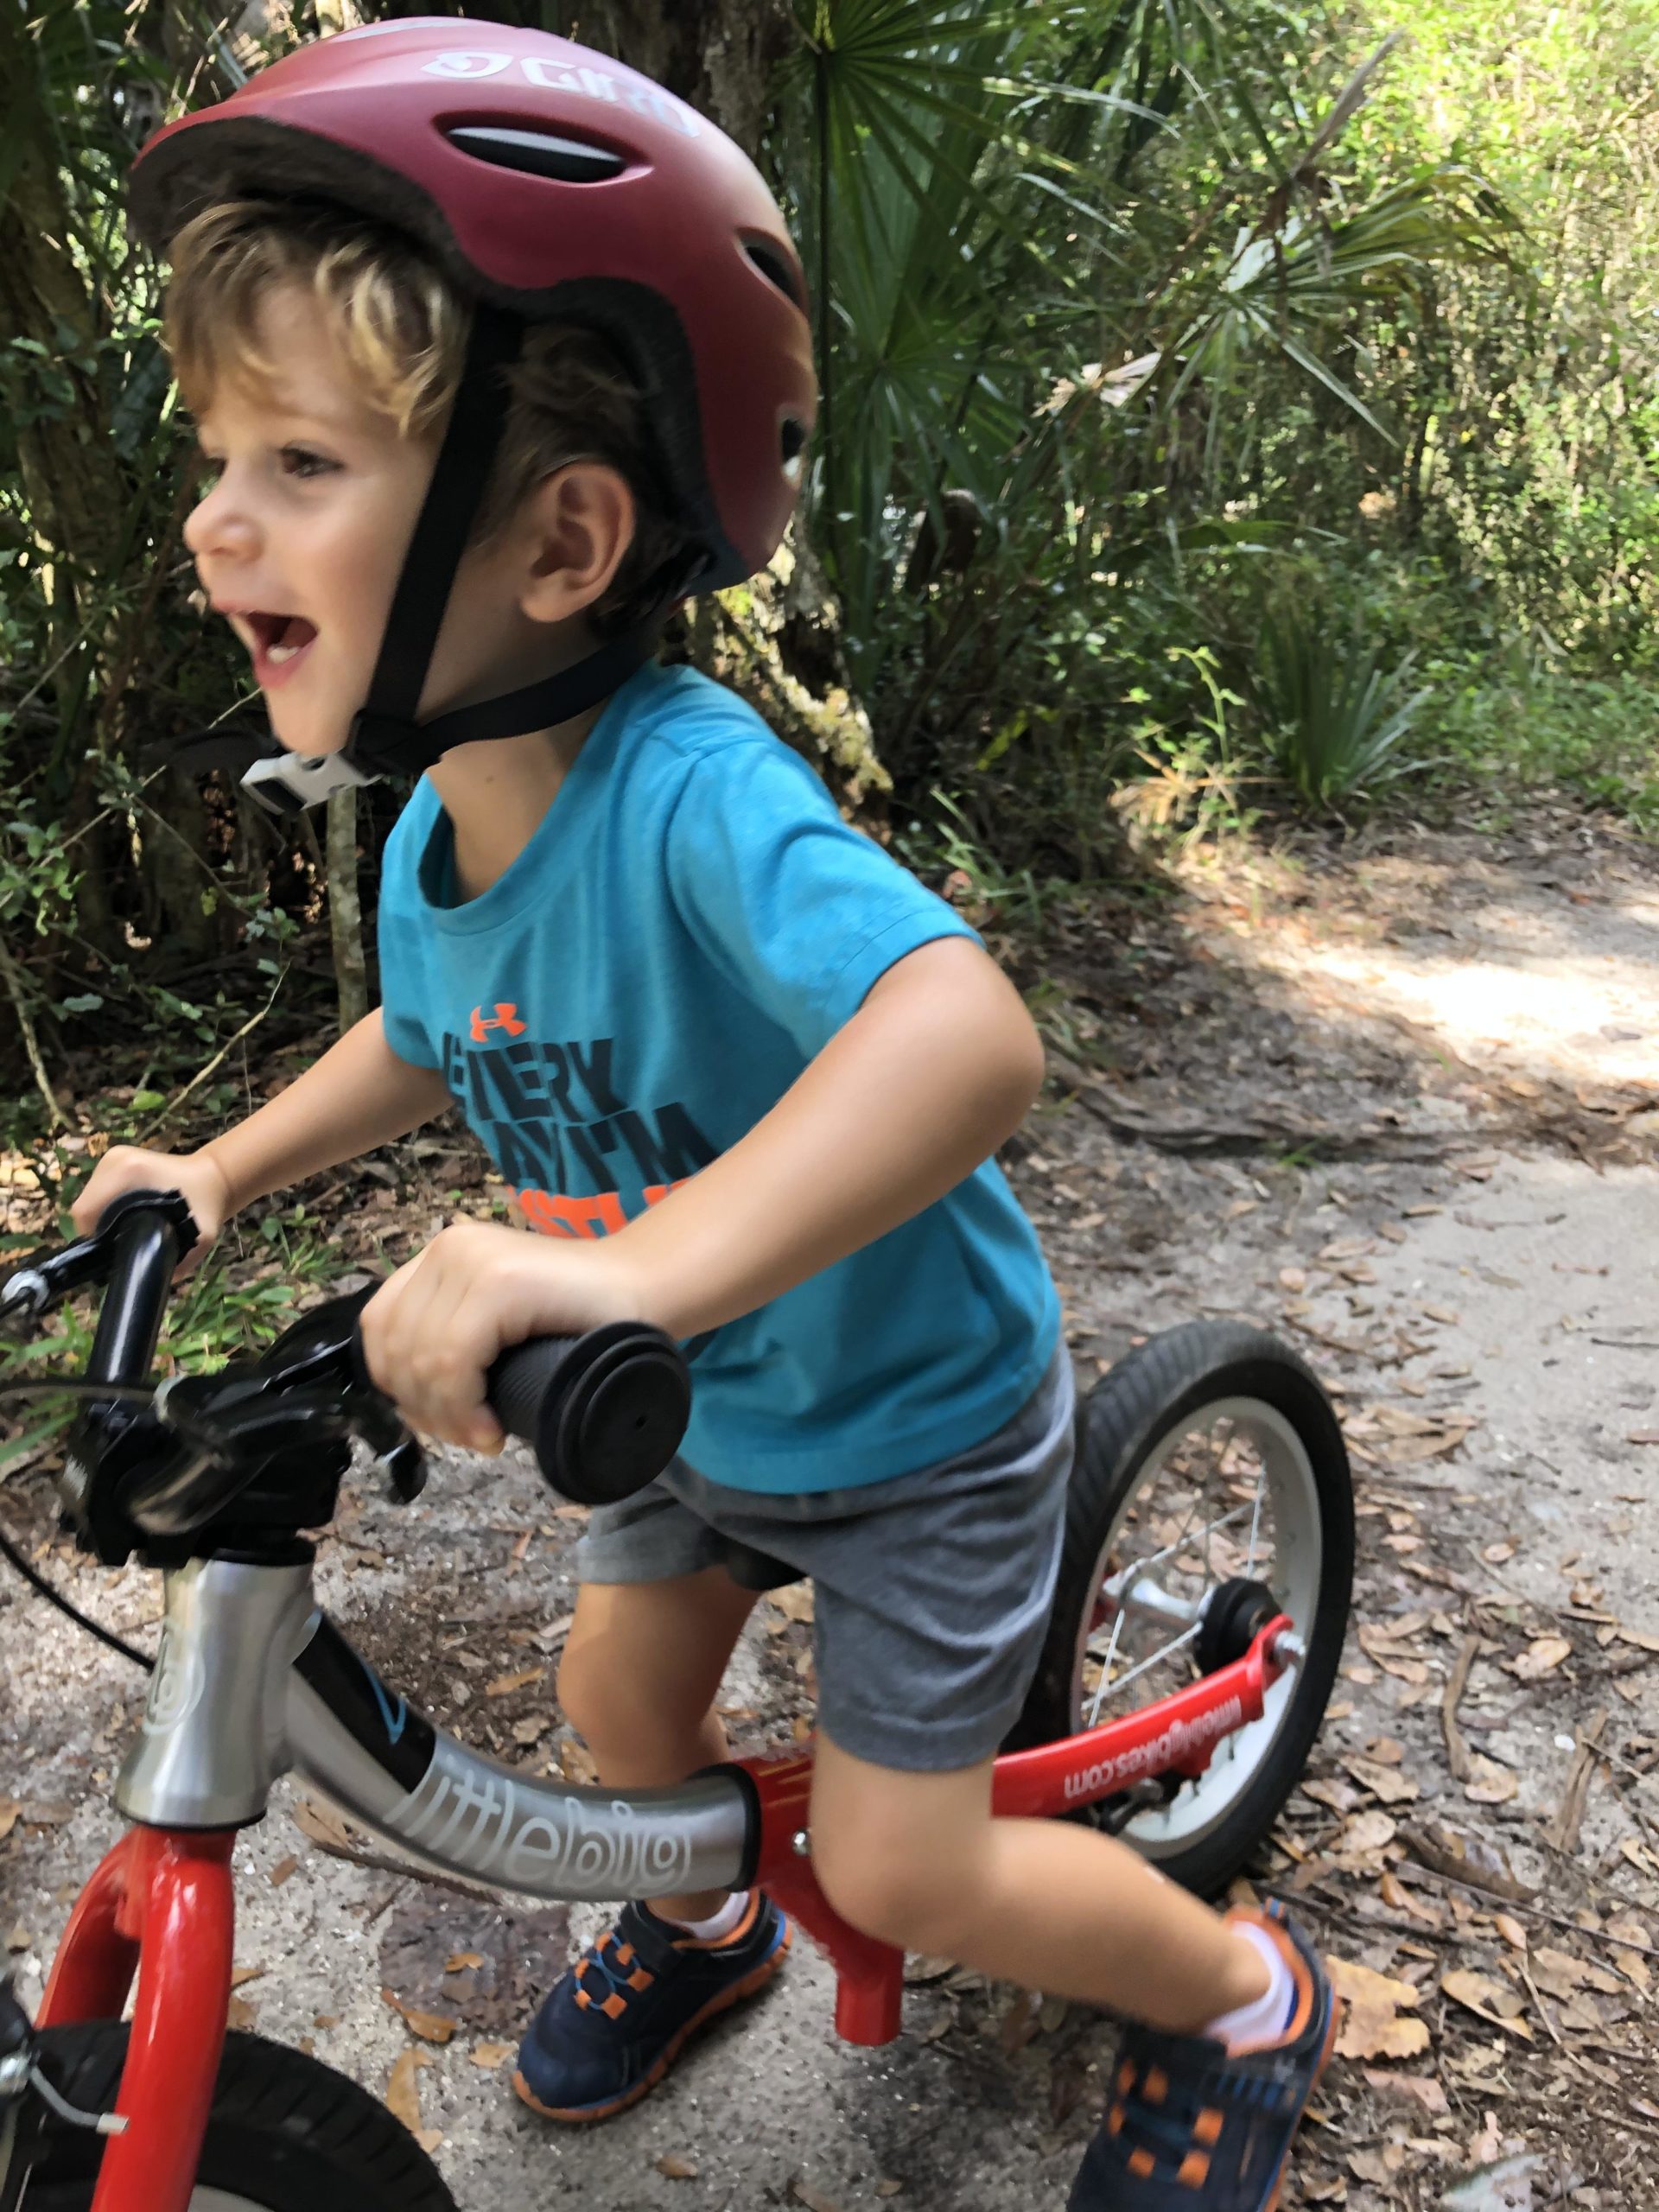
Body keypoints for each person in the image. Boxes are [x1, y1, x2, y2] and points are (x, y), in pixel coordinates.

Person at [73, 20, 1338, 2206]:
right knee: (619, 1715)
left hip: (910, 1418)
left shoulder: (690, 794)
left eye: (298, 458)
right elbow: (431, 1035)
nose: (214, 515)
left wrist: (628, 1261)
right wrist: (221, 1163)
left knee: (914, 1857)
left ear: (560, 538)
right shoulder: (440, 832)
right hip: (691, 1408)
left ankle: (1235, 1990)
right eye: (217, 453)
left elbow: (968, 1034)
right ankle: (703, 1912)